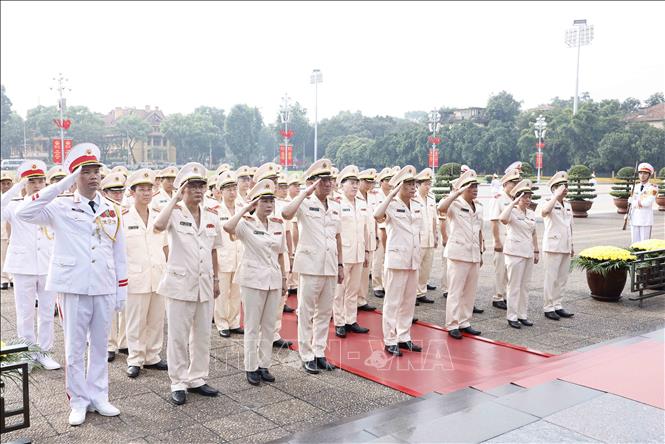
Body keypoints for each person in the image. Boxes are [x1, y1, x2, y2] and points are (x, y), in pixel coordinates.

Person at [17, 143, 127, 426]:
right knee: (75, 348)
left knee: (101, 346)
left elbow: (119, 251)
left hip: (103, 284)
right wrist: (62, 184)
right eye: (85, 172)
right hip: (73, 286)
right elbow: (24, 213)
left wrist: (120, 289)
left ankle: (99, 395)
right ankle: (78, 400)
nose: (93, 177)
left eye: (96, 172)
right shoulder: (60, 205)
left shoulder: (111, 209)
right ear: (75, 176)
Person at [153, 162, 223, 406]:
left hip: (204, 284)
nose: (198, 190)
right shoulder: (174, 212)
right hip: (180, 284)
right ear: (182, 189)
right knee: (178, 336)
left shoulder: (212, 215)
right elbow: (158, 226)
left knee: (202, 335)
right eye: (192, 186)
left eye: (201, 186)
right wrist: (175, 198)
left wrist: (216, 279)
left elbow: (214, 250)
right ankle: (178, 381)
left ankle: (197, 378)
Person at [282, 159, 343, 374]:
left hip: (330, 266)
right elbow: (286, 214)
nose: (328, 184)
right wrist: (304, 192)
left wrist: (341, 264)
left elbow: (337, 237)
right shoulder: (304, 204)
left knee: (325, 312)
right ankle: (306, 353)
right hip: (310, 266)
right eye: (323, 180)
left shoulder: (335, 206)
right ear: (313, 182)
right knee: (306, 311)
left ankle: (319, 352)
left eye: (330, 180)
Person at [223, 179, 287, 386]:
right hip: (252, 280)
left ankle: (264, 365)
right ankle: (251, 366)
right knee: (252, 326)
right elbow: (227, 226)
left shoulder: (278, 224)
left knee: (269, 325)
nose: (269, 205)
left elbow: (279, 254)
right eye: (264, 201)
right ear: (255, 203)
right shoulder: (245, 225)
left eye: (271, 201)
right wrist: (244, 209)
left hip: (273, 279)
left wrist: (284, 278)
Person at [1, 160, 60, 370]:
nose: (37, 185)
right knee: (24, 312)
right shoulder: (15, 205)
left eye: (40, 181)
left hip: (47, 264)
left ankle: (44, 353)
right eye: (32, 181)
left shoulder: (53, 205)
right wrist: (16, 187)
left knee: (46, 311)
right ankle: (25, 353)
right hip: (23, 265)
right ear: (25, 183)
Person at [123, 169, 169, 378]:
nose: (146, 193)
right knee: (136, 320)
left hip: (158, 275)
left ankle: (152, 355)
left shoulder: (159, 217)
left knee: (156, 318)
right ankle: (135, 358)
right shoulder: (123, 218)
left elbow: (166, 246)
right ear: (132, 193)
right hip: (135, 277)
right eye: (141, 189)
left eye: (149, 189)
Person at [374, 166, 423, 356]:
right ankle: (390, 339)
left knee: (409, 301)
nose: (413, 188)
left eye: (414, 184)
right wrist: (391, 194)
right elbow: (377, 215)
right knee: (393, 302)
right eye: (409, 184)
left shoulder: (417, 205)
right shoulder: (391, 205)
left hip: (413, 259)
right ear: (400, 186)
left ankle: (404, 337)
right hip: (396, 259)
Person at [437, 169, 484, 340]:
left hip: (473, 254)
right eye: (471, 186)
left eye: (476, 186)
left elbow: (479, 230)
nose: (475, 189)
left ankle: (465, 321)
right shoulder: (454, 205)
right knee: (455, 291)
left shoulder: (478, 206)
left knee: (470, 291)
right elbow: (440, 208)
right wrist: (456, 192)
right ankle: (452, 324)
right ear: (463, 188)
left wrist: (481, 251)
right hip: (458, 254)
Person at [333, 166, 370, 338]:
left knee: (353, 289)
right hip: (344, 253)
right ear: (342, 184)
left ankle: (351, 319)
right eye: (352, 183)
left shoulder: (362, 203)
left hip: (358, 252)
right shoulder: (337, 202)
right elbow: (335, 232)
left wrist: (367, 251)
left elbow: (365, 229)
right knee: (339, 290)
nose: (355, 186)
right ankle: (339, 322)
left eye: (357, 183)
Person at [499, 179, 539, 329]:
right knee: (514, 286)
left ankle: (522, 315)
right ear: (518, 197)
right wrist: (513, 202)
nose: (528, 200)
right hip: (514, 253)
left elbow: (533, 232)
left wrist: (536, 250)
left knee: (525, 286)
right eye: (525, 196)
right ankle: (512, 316)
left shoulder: (532, 213)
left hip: (528, 252)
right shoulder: (512, 211)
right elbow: (502, 219)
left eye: (530, 197)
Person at [538, 171, 575, 321]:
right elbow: (544, 212)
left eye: (566, 186)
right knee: (551, 278)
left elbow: (570, 226)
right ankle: (548, 307)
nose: (565, 189)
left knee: (562, 278)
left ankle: (558, 305)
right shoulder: (548, 200)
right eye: (561, 186)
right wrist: (555, 196)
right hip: (552, 245)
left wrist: (572, 244)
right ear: (554, 188)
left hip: (565, 245)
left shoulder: (567, 204)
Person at [212, 170, 245, 338]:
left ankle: (234, 321)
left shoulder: (242, 208)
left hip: (240, 256)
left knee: (236, 292)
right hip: (223, 257)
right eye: (228, 189)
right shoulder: (215, 210)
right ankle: (222, 322)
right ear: (221, 191)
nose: (232, 192)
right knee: (223, 293)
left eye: (234, 188)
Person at [100, 172, 129, 362]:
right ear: (105, 192)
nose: (118, 195)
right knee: (109, 305)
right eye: (114, 192)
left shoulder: (128, 210)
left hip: (128, 262)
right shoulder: (103, 212)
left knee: (126, 305)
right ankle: (109, 344)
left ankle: (124, 341)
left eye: (120, 192)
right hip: (108, 264)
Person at [488, 168, 521, 311]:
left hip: (513, 241)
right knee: (500, 270)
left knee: (510, 271)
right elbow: (494, 221)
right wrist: (496, 241)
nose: (515, 186)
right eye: (513, 183)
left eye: (517, 183)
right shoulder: (498, 199)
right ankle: (498, 297)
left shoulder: (515, 200)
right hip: (502, 240)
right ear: (505, 183)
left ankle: (507, 296)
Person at [372, 167, 396, 298]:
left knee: (388, 259)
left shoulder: (394, 195)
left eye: (391, 180)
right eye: (387, 180)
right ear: (381, 182)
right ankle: (377, 285)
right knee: (378, 258)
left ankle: (386, 284)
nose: (389, 182)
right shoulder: (376, 195)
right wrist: (375, 234)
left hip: (391, 231)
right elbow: (374, 215)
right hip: (378, 230)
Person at [414, 168, 438, 305]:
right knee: (416, 268)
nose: (428, 186)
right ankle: (413, 294)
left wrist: (435, 235)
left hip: (429, 237)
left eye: (430, 184)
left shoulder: (432, 197)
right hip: (418, 239)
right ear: (418, 184)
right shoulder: (413, 198)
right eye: (426, 184)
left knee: (426, 267)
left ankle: (421, 292)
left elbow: (434, 218)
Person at [356, 168, 378, 312]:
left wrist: (375, 235)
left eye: (371, 182)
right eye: (366, 182)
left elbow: (374, 219)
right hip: (357, 242)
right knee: (353, 276)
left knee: (365, 273)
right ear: (359, 182)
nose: (369, 185)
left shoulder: (372, 197)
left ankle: (361, 300)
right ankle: (350, 304)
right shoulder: (353, 196)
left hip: (369, 239)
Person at [627, 162, 657, 242]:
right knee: (634, 243)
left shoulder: (653, 188)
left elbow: (647, 203)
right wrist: (628, 214)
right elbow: (631, 203)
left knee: (644, 244)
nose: (642, 175)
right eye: (640, 173)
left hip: (645, 220)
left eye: (645, 173)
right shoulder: (635, 187)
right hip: (634, 218)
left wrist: (633, 202)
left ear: (649, 175)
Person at [1, 170, 15, 290]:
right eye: (3, 183)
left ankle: (13, 277)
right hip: (2, 232)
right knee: (2, 255)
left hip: (14, 232)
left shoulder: (16, 197)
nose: (5, 186)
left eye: (8, 183)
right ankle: (4, 279)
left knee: (14, 255)